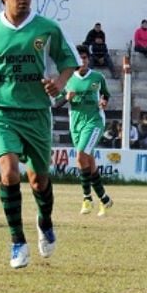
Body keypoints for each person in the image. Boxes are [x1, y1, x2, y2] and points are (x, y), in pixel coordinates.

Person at [0, 0, 80, 268]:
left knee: (39, 180)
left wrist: (60, 82)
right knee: (9, 172)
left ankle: (45, 222)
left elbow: (70, 63)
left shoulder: (47, 28)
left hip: (38, 113)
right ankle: (17, 242)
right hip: (0, 111)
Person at [56, 45, 114, 217]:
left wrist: (104, 102)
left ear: (88, 59)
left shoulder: (97, 77)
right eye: (79, 58)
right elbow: (56, 103)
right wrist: (66, 98)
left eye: (85, 58)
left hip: (94, 121)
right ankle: (104, 199)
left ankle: (87, 198)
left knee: (80, 155)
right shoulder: (68, 79)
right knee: (88, 160)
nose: (83, 61)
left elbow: (106, 94)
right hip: (76, 125)